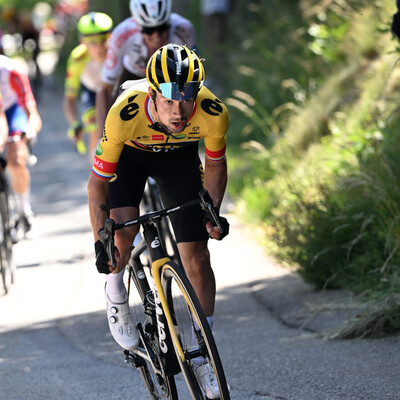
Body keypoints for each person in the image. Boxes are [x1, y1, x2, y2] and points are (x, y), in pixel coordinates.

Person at [88, 44, 229, 399]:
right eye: (168, 99)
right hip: (131, 160)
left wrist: (210, 212)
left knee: (197, 257)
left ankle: (204, 354)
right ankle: (116, 291)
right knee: (121, 238)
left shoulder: (212, 113)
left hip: (178, 159)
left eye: (187, 97)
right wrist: (100, 241)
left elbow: (214, 165)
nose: (179, 110)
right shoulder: (124, 114)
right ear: (152, 93)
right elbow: (98, 183)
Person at [96, 0, 197, 142]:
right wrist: (102, 136)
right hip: (133, 76)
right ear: (138, 26)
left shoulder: (184, 29)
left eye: (162, 28)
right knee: (120, 124)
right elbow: (104, 89)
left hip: (169, 80)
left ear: (169, 22)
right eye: (149, 30)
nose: (156, 35)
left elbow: (193, 82)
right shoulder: (122, 34)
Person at [0, 50, 42, 237]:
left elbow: (31, 113)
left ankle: (23, 211)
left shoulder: (9, 70)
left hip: (12, 112)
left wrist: (28, 132)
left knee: (16, 159)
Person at [63, 11, 113, 157]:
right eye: (92, 42)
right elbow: (70, 98)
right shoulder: (77, 59)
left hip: (113, 89)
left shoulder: (117, 51)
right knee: (94, 123)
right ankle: (97, 169)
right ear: (82, 41)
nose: (99, 46)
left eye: (103, 39)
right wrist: (75, 123)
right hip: (91, 91)